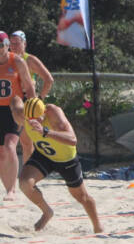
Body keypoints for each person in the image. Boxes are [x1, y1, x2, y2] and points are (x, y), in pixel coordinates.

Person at [10, 96, 102, 232]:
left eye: (38, 119)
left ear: (44, 112)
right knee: (24, 183)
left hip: (66, 160)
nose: (34, 122)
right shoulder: (21, 115)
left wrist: (45, 131)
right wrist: (16, 98)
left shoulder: (54, 113)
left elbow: (72, 139)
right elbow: (15, 101)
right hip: (44, 155)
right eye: (30, 119)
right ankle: (47, 212)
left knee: (81, 197)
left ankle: (98, 227)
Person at [9, 31, 54, 180]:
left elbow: (49, 79)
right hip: (9, 101)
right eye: (11, 43)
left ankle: (27, 174)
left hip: (26, 101)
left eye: (17, 43)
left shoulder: (30, 60)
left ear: (24, 44)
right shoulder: (6, 59)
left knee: (26, 141)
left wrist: (39, 99)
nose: (14, 46)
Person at [0, 32, 35, 200]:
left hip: (14, 109)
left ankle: (12, 189)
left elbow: (29, 86)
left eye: (1, 45)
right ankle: (7, 187)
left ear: (7, 45)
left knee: (10, 145)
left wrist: (33, 110)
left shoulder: (17, 61)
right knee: (1, 152)